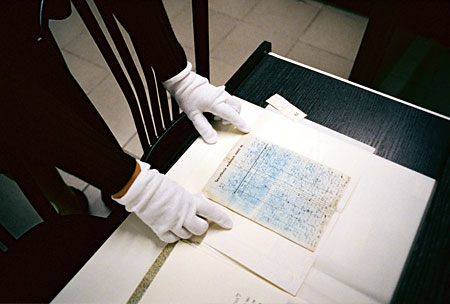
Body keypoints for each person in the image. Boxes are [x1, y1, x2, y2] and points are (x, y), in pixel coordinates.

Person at [0, 0, 250, 243]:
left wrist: (180, 77)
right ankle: (64, 198)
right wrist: (134, 186)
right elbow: (16, 106)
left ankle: (109, 180)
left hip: (25, 31)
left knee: (67, 106)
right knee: (23, 147)